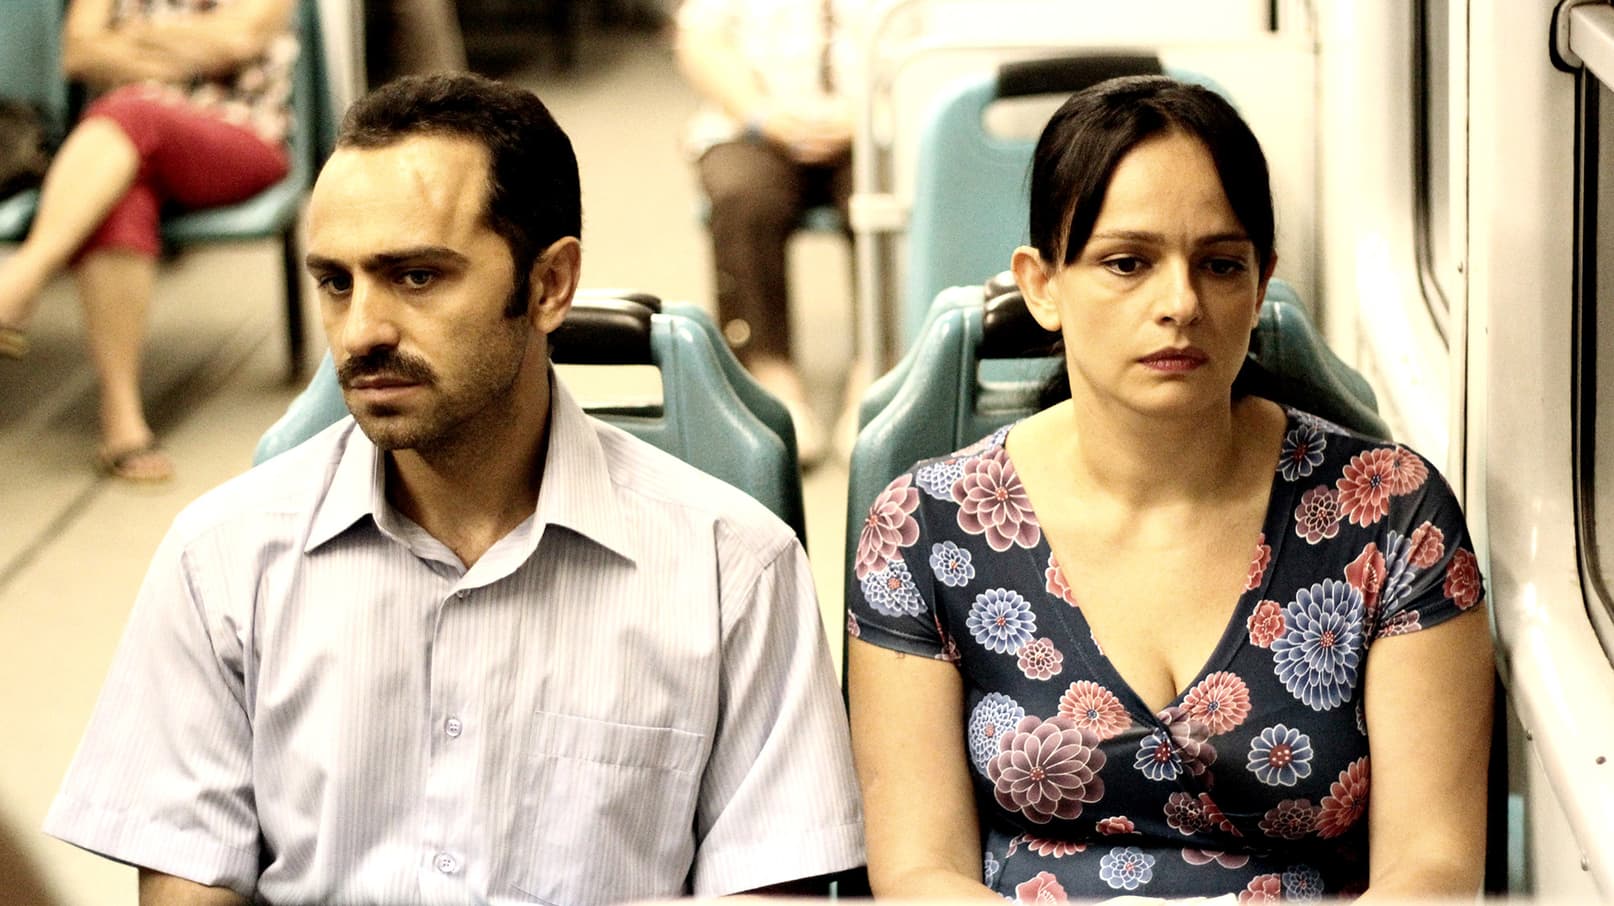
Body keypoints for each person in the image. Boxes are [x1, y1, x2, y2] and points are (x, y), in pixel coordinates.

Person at [44, 73, 864, 904]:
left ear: (549, 285)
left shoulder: (731, 571)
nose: (361, 331)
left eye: (416, 277)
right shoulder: (220, 559)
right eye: (336, 282)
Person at [847, 75, 1492, 901]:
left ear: (1261, 284)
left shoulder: (1392, 516)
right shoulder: (926, 529)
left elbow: (1433, 867)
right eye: (1128, 263)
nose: (1181, 303)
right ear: (1042, 284)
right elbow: (918, 871)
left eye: (1220, 265)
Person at [0, 0, 300, 483]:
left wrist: (128, 41)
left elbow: (240, 39)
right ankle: (123, 421)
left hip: (240, 134)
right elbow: (79, 52)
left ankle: (19, 282)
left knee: (130, 112)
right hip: (118, 154)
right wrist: (196, 43)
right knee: (121, 195)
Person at [673, 0, 866, 465]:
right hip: (752, 124)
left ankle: (877, 372)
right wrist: (762, 115)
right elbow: (700, 40)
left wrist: (867, 117)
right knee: (742, 196)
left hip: (879, 122)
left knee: (893, 198)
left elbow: (928, 42)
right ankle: (771, 378)